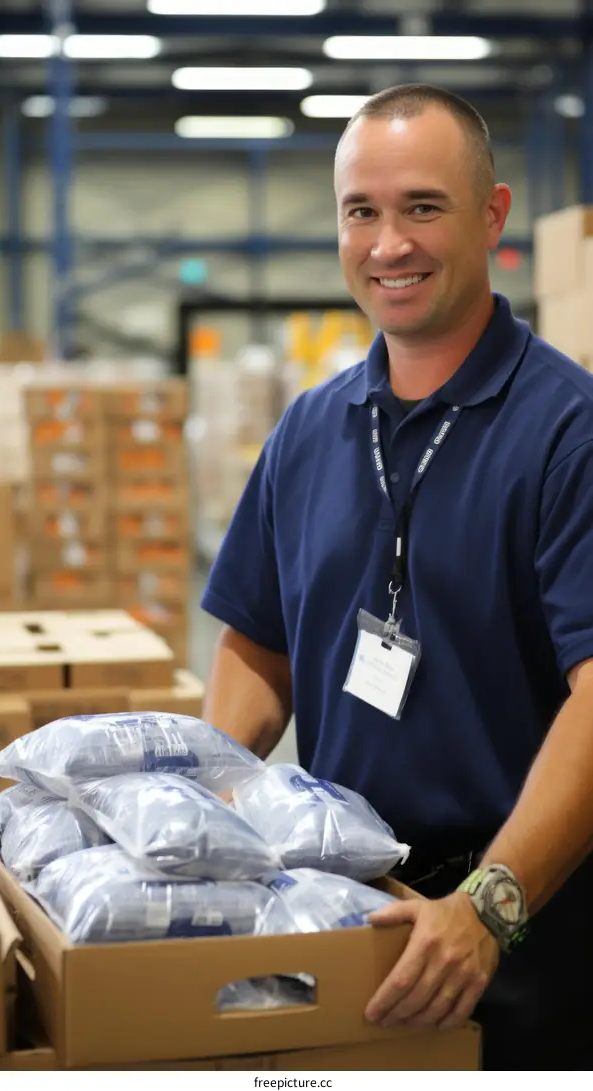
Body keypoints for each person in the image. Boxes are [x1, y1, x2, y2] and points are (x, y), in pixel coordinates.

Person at [200, 83, 593, 1071]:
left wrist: (489, 905)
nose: (389, 244)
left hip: (519, 925)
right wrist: (195, 816)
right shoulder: (310, 428)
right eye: (361, 212)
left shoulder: (567, 430)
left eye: (422, 207)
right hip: (338, 912)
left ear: (492, 217)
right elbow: (256, 644)